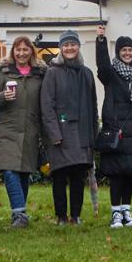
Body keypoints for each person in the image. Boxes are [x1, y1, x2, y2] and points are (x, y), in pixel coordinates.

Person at [0, 36, 47, 228]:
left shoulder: (40, 75)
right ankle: (19, 214)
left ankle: (19, 215)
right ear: (13, 52)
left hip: (30, 130)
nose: (21, 53)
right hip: (7, 130)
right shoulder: (4, 73)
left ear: (31, 52)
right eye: (18, 49)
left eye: (25, 49)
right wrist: (3, 96)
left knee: (23, 172)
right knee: (9, 169)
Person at [96, 25, 132, 229]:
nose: (127, 53)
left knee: (130, 172)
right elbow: (102, 65)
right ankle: (115, 213)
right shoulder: (111, 74)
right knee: (117, 174)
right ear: (118, 52)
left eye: (130, 50)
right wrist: (101, 41)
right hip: (118, 131)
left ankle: (127, 211)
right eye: (123, 50)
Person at [41, 30, 98, 225]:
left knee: (78, 177)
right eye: (65, 45)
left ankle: (75, 216)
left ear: (78, 46)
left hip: (82, 134)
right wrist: (54, 134)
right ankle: (61, 217)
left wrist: (93, 134)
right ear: (60, 48)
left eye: (73, 44)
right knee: (59, 176)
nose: (69, 48)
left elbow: (93, 106)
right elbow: (46, 106)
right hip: (60, 134)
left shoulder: (87, 73)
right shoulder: (52, 73)